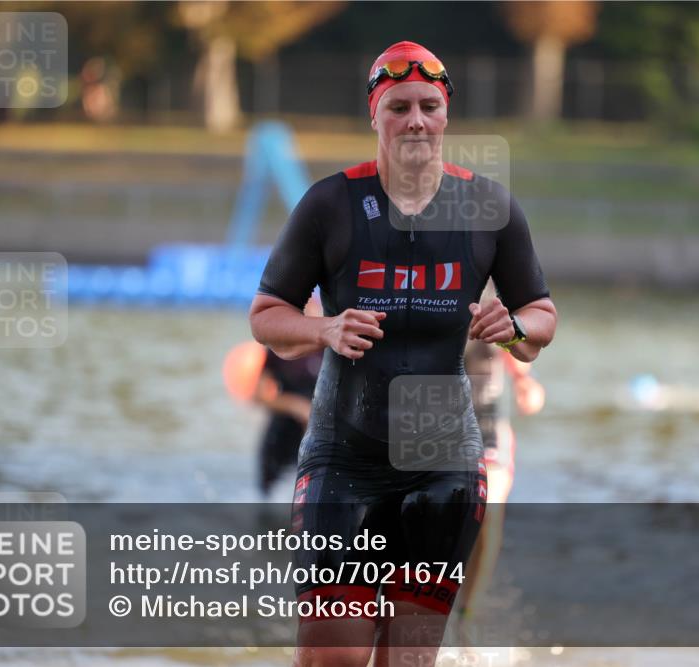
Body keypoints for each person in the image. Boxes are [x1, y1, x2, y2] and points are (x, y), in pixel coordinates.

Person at [249, 40, 557, 667]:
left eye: (427, 106)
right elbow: (265, 316)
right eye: (398, 107)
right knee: (332, 659)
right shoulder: (329, 204)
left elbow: (542, 319)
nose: (415, 120)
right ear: (375, 115)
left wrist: (513, 326)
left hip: (442, 472)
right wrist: (325, 329)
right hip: (343, 460)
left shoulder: (490, 209)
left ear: (445, 116)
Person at [456, 317, 545, 623]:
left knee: (487, 515)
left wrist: (527, 390)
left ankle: (468, 614)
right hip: (436, 430)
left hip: (489, 432)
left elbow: (526, 382)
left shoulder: (495, 315)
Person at [252, 297, 324, 498]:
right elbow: (258, 396)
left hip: (317, 435)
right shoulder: (279, 346)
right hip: (280, 436)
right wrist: (296, 406)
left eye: (314, 308)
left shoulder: (331, 347)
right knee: (268, 503)